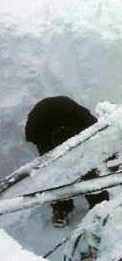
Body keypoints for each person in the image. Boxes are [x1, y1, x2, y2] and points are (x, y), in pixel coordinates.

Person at [24, 96, 109, 227]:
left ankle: (99, 202)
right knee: (55, 174)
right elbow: (31, 137)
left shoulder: (83, 123)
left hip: (69, 120)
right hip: (43, 127)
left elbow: (96, 128)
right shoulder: (39, 130)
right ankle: (62, 208)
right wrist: (52, 156)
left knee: (86, 167)